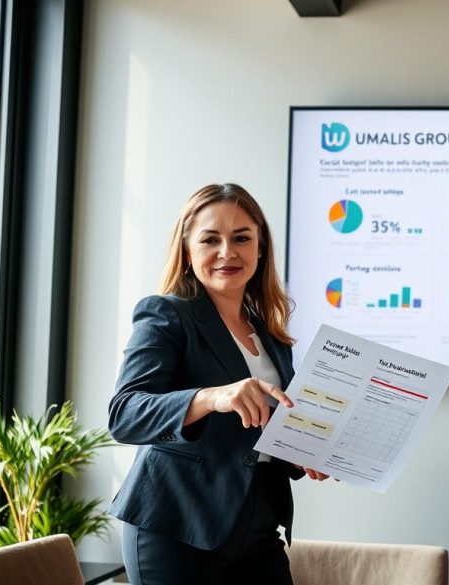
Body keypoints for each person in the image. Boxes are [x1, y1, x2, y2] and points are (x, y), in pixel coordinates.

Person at [108, 183, 328, 585]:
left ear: (260, 250)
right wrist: (212, 397)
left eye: (242, 238)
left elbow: (267, 429)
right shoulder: (166, 314)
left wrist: (302, 451)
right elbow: (125, 414)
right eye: (210, 239)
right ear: (188, 251)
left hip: (258, 526)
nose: (228, 252)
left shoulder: (272, 336)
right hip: (176, 526)